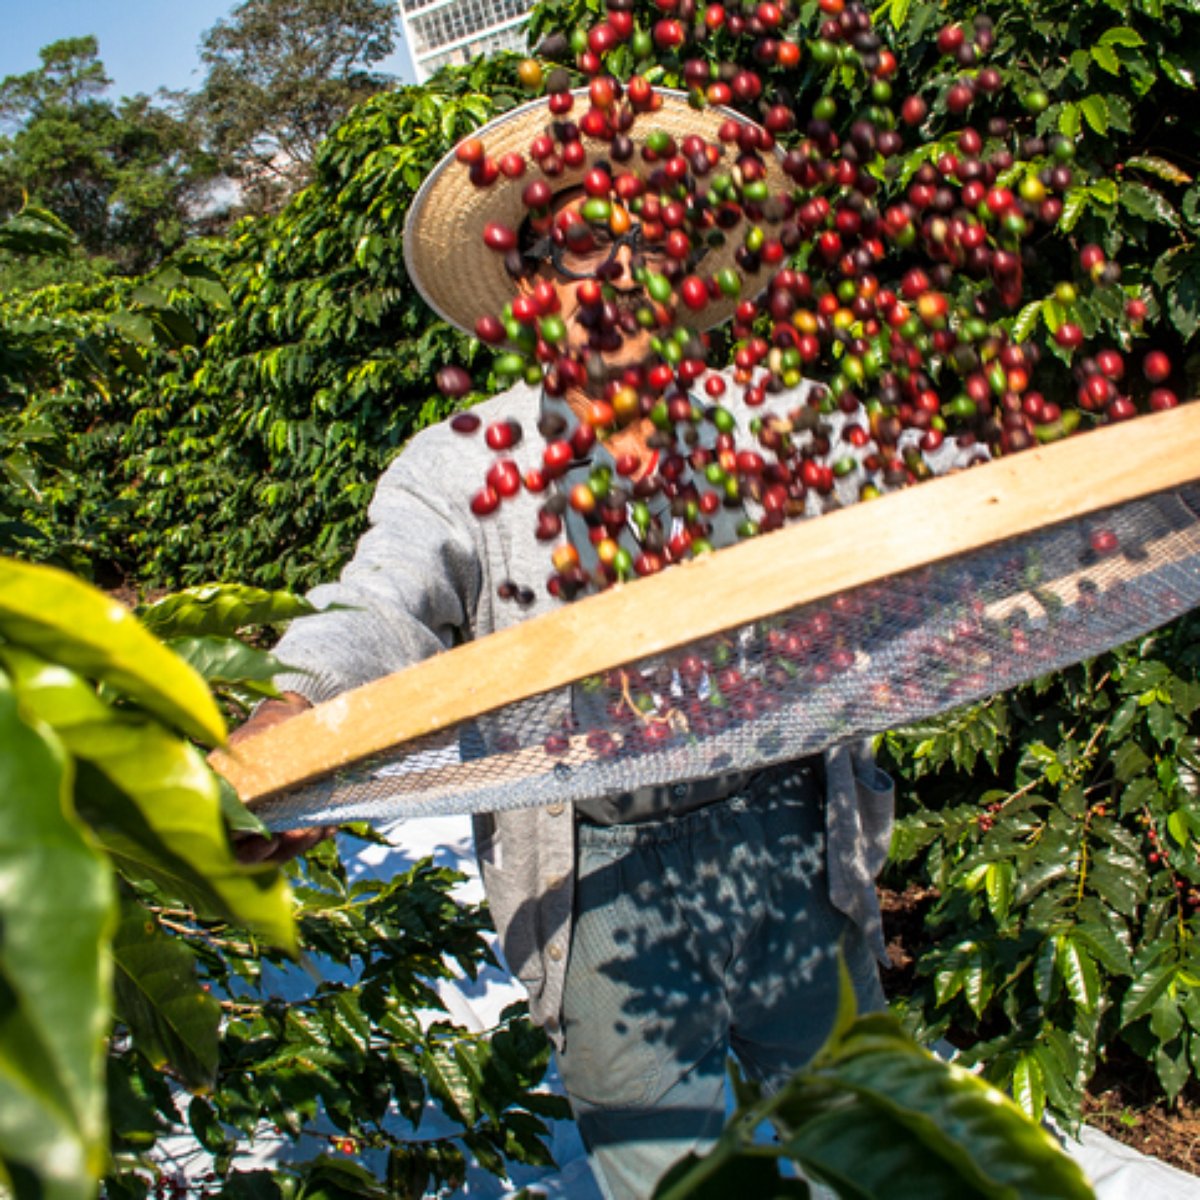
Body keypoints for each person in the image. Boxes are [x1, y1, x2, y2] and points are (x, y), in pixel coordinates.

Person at [233, 88, 906, 1200]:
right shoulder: (462, 465)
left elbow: (924, 533)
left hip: (796, 846)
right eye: (592, 241)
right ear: (534, 274)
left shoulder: (779, 422)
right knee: (669, 1175)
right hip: (602, 875)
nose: (628, 270)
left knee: (870, 1148)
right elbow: (384, 605)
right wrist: (296, 718)